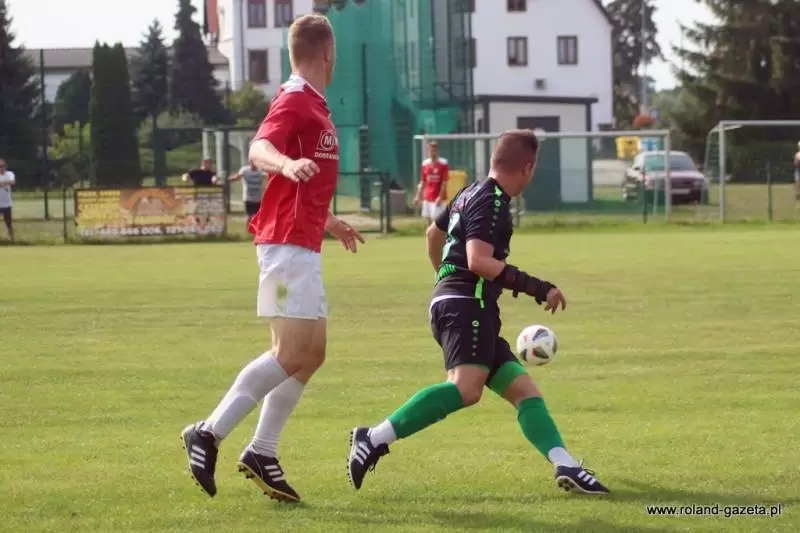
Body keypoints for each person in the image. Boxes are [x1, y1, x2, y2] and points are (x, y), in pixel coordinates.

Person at [346, 129, 610, 496]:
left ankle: (565, 464)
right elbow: (478, 261)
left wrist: (444, 280)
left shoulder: (469, 192)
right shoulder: (492, 200)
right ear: (527, 168)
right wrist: (540, 288)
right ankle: (373, 438)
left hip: (464, 303)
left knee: (525, 392)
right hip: (467, 305)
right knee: (466, 389)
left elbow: (432, 235)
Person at [181, 14, 364, 504]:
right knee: (289, 354)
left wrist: (329, 220)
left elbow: (302, 186)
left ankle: (262, 450)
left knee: (312, 353)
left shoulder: (315, 104)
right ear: (328, 52)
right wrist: (284, 162)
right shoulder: (296, 98)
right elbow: (259, 147)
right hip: (285, 247)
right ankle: (208, 432)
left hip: (302, 242)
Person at [414, 141, 449, 224]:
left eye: (434, 150)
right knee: (428, 221)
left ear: (437, 151)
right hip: (428, 197)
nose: (432, 152)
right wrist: (418, 196)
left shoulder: (443, 163)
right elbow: (423, 181)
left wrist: (440, 197)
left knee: (437, 222)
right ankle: (428, 233)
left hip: (437, 198)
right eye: (430, 150)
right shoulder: (425, 164)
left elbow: (444, 182)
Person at [0, 159, 15, 242]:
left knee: (8, 223)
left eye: (2, 166)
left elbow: (12, 182)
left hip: (6, 204)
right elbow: (9, 182)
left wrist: (2, 183)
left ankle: (11, 239)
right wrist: (6, 183)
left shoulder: (9, 174)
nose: (1, 168)